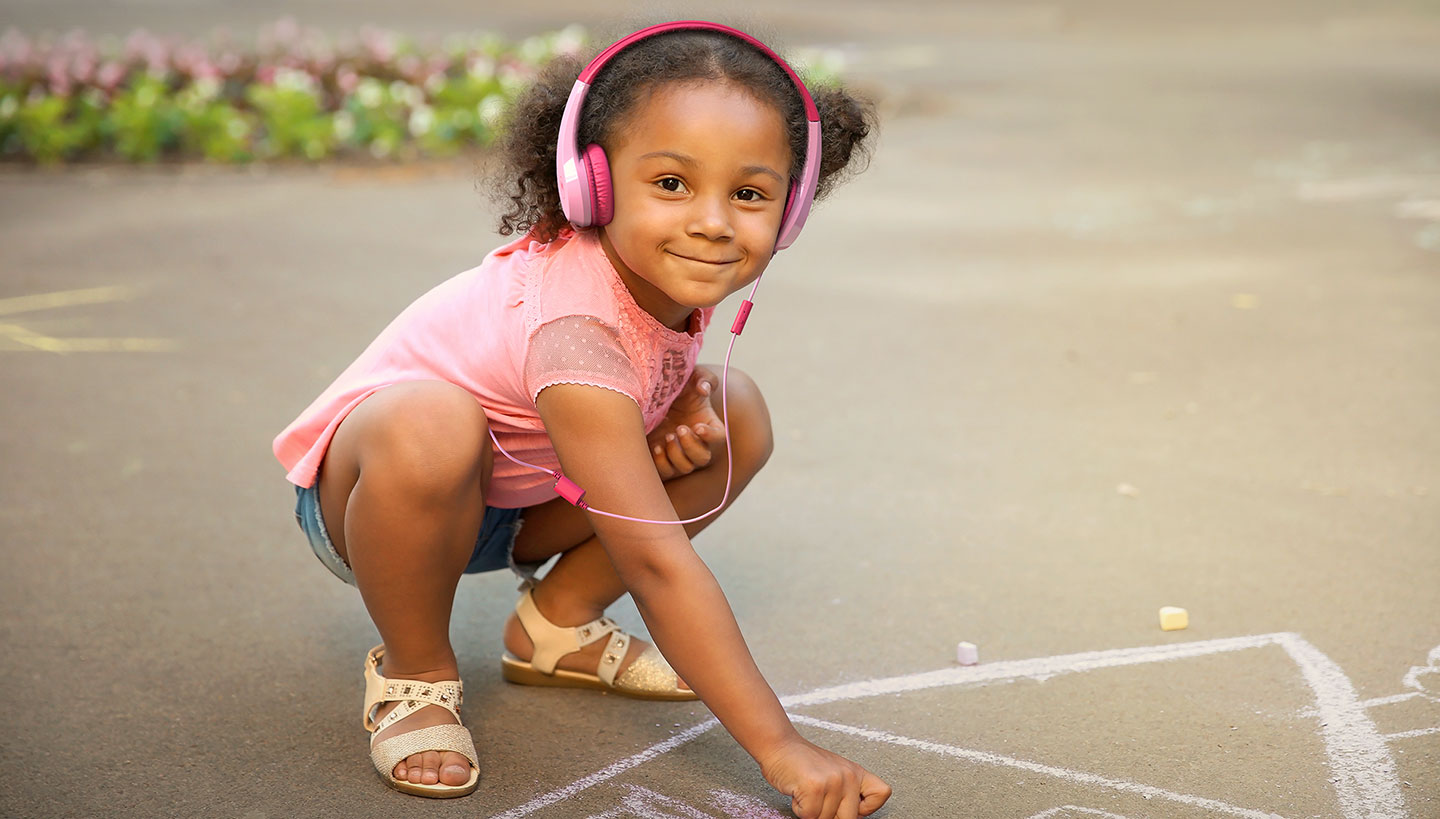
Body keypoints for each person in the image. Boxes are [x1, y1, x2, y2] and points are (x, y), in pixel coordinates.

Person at [272, 20, 888, 818]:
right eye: (671, 183)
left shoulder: (657, 279)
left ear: (792, 208)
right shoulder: (576, 331)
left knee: (732, 412)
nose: (712, 221)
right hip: (380, 502)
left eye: (749, 193)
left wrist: (667, 407)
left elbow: (631, 385)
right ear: (592, 186)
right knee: (432, 421)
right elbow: (657, 562)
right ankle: (414, 672)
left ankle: (554, 628)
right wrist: (782, 747)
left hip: (522, 498)